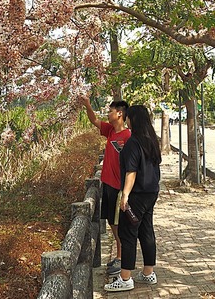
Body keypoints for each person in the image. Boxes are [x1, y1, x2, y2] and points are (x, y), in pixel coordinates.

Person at [104, 104, 161, 292]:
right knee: (146, 231)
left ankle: (125, 277)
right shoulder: (151, 140)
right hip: (151, 192)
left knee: (127, 234)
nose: (126, 120)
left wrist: (125, 195)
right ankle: (148, 273)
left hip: (136, 194)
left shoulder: (133, 142)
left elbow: (131, 172)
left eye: (129, 117)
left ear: (133, 119)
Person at [81, 95, 131, 276]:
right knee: (112, 222)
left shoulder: (128, 137)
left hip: (119, 187)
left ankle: (123, 258)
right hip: (108, 185)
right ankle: (119, 255)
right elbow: (93, 119)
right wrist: (87, 104)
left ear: (119, 114)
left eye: (110, 111)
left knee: (119, 224)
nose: (107, 114)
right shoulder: (110, 131)